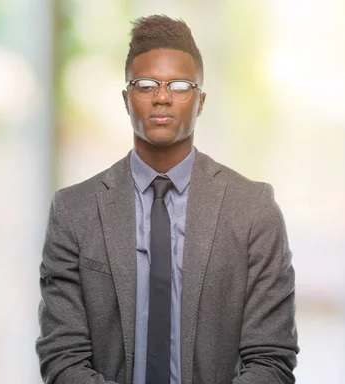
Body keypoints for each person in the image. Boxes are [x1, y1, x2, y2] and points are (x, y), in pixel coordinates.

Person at [35, 14, 299, 384]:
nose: (162, 97)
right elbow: (62, 358)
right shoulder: (74, 211)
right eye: (146, 85)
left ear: (200, 101)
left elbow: (272, 358)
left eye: (179, 85)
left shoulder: (253, 209)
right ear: (127, 99)